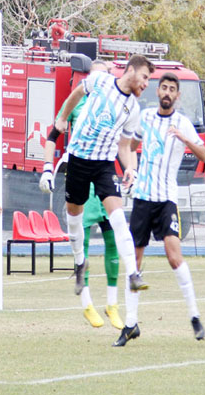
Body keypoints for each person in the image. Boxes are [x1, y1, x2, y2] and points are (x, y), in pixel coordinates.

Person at [45, 55, 154, 299]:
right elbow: (76, 94)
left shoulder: (133, 109)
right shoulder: (101, 81)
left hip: (104, 164)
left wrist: (130, 169)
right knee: (74, 217)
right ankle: (79, 262)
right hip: (78, 160)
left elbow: (125, 147)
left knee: (117, 216)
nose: (146, 83)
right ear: (131, 70)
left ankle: (134, 274)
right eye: (145, 77)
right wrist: (62, 117)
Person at [115, 72, 205, 346]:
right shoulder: (144, 117)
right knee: (135, 260)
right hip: (143, 197)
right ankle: (130, 323)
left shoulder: (183, 123)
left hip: (167, 198)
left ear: (178, 96)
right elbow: (130, 146)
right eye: (164, 88)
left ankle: (194, 316)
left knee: (174, 256)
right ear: (158, 92)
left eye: (172, 89)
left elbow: (204, 155)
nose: (167, 92)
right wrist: (130, 168)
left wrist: (184, 139)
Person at [39, 60, 123, 330]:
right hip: (80, 173)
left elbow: (123, 143)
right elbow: (52, 136)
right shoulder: (76, 103)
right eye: (98, 74)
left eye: (106, 74)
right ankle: (86, 302)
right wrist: (47, 168)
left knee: (113, 238)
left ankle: (112, 304)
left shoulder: (115, 103)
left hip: (103, 174)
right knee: (83, 239)